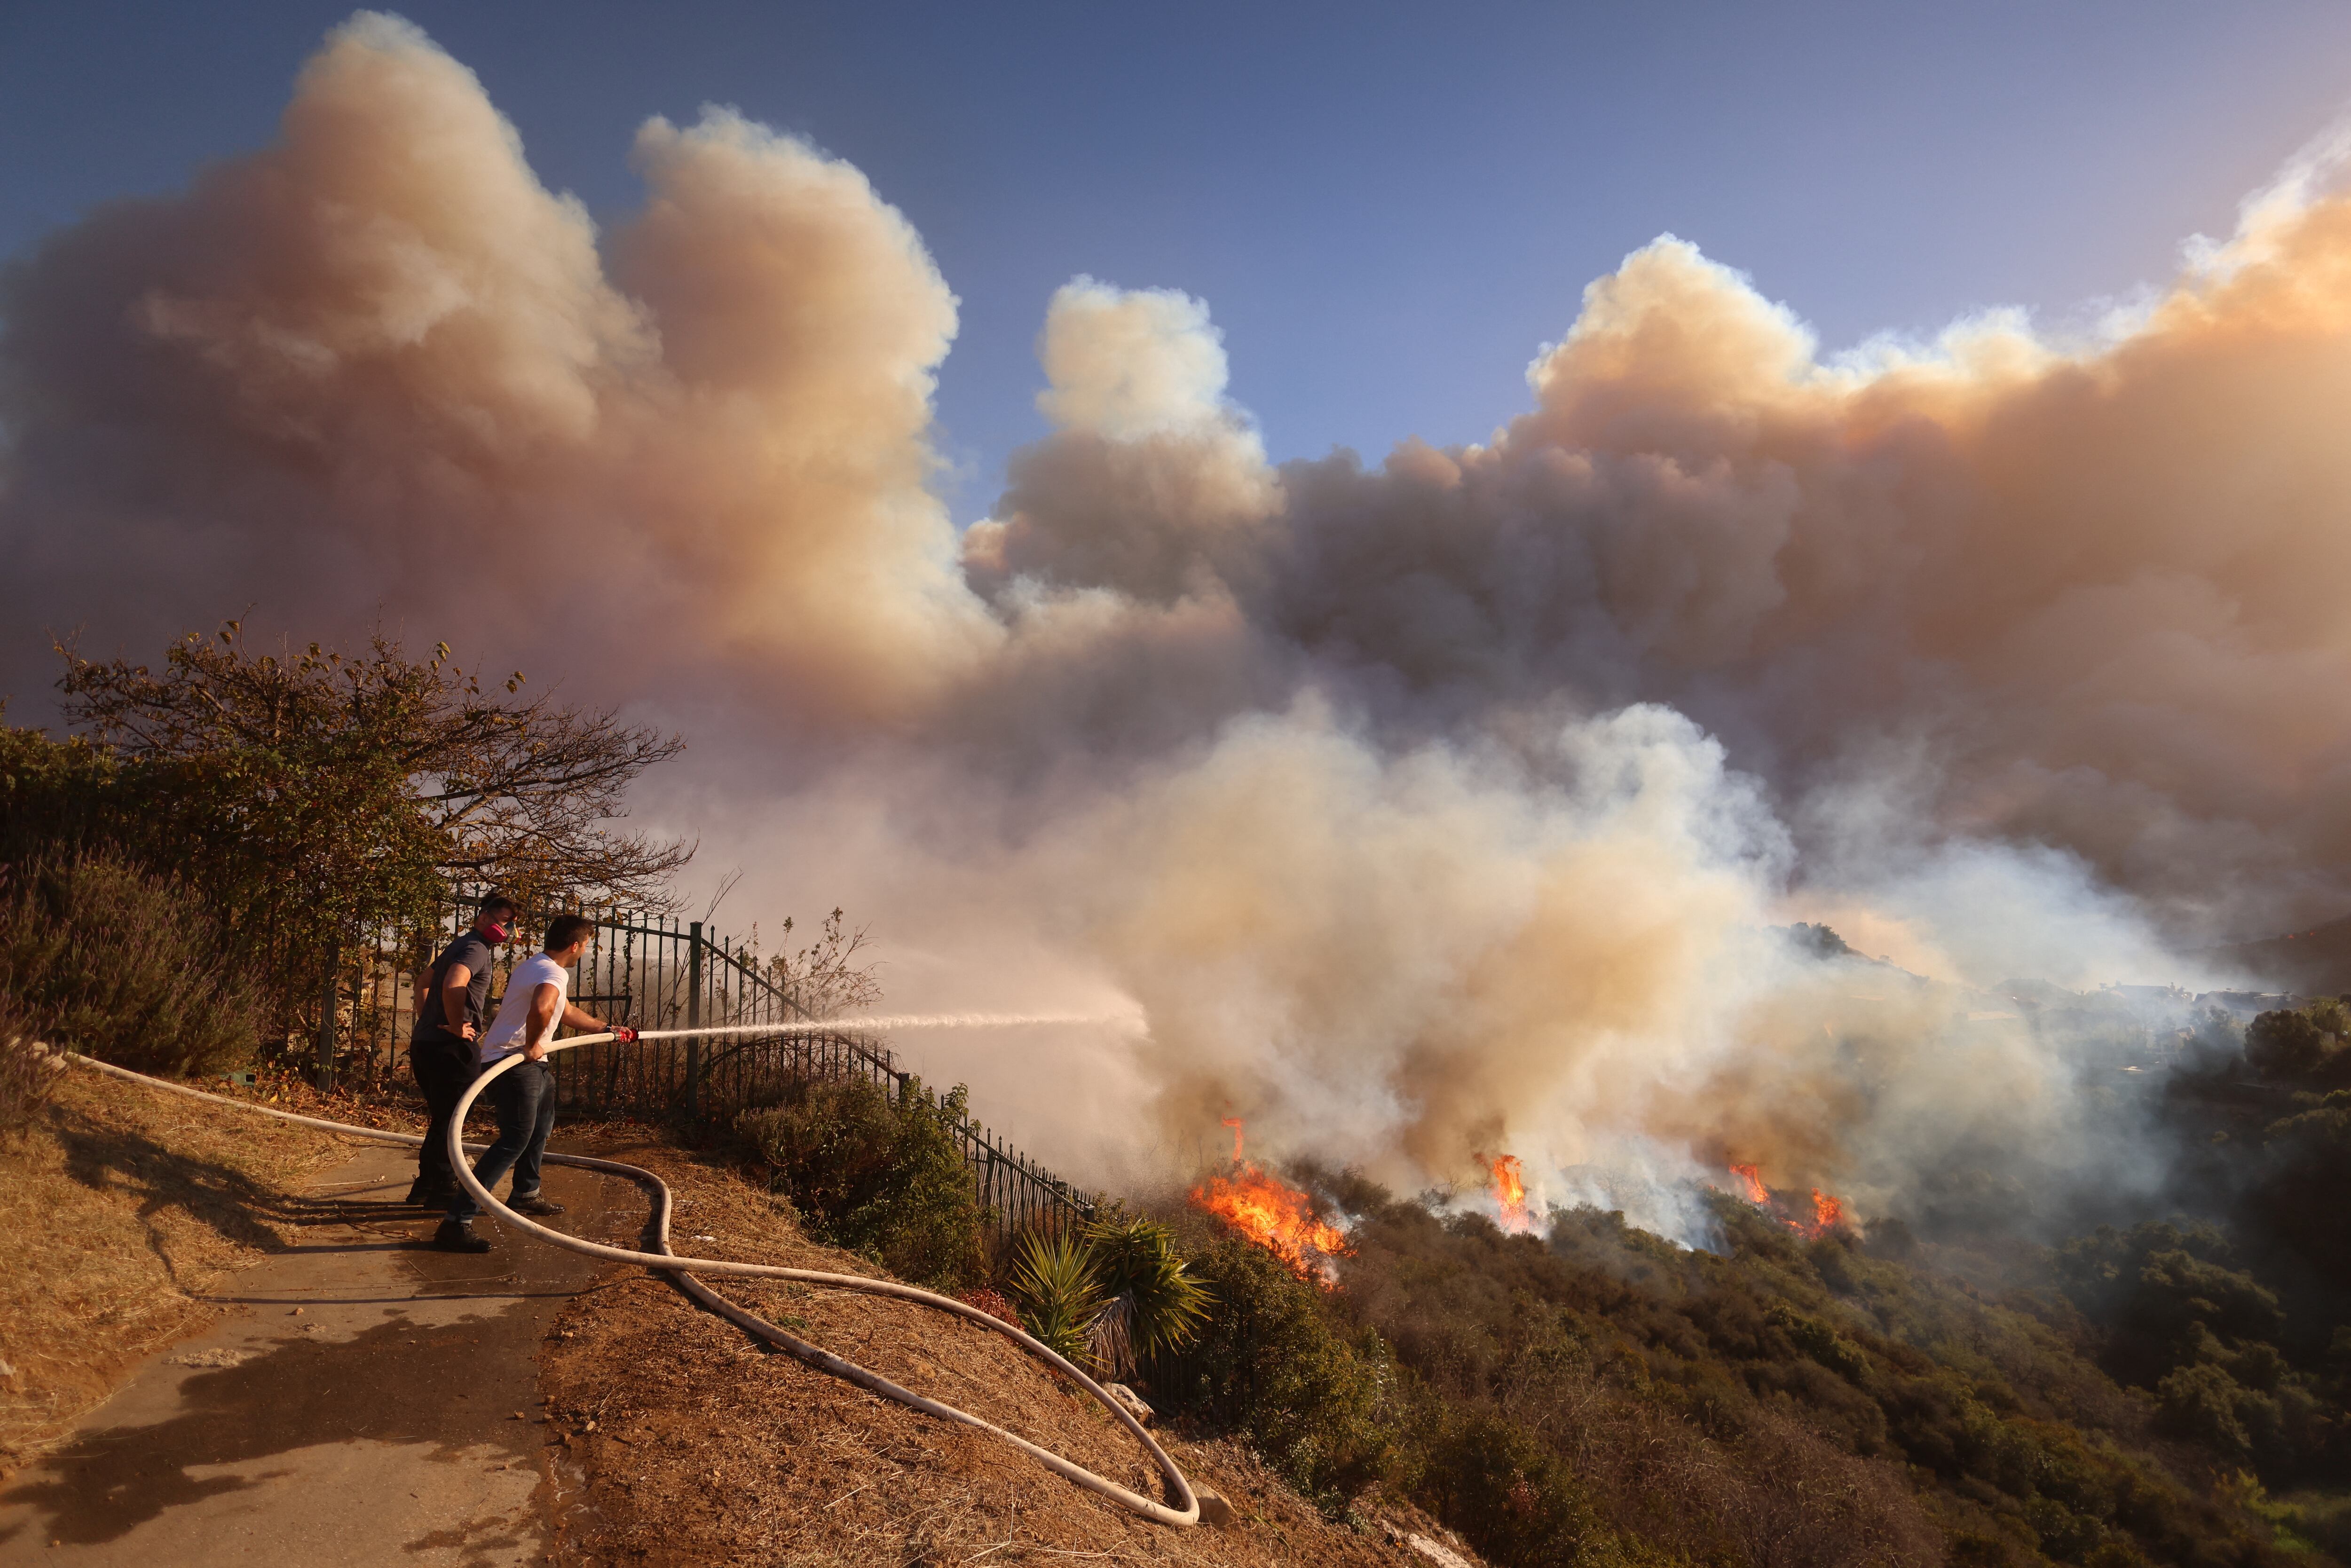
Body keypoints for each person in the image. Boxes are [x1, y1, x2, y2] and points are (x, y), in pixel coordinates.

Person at [433, 912, 635, 1254]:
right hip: (514, 1062)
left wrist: (606, 1029)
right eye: (586, 945)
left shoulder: (536, 965)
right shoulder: (552, 972)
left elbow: (563, 1010)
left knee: (540, 1127)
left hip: (531, 1063)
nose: (585, 950)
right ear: (575, 945)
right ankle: (456, 1222)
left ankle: (526, 1192)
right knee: (514, 1139)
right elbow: (543, 1008)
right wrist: (531, 1044)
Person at [405, 892, 518, 1207]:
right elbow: (454, 983)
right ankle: (442, 1188)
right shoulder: (476, 948)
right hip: (450, 1049)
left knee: (443, 1118)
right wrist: (455, 1024)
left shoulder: (461, 944)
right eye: (505, 921)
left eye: (511, 923)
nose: (509, 930)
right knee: (452, 1119)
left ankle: (425, 1187)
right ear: (484, 918)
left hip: (426, 1044)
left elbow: (422, 983)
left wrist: (429, 1020)